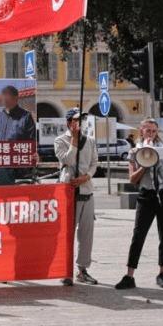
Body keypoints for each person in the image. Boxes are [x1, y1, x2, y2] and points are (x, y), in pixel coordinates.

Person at [114, 118, 163, 290]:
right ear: (141, 131)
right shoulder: (135, 151)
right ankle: (129, 276)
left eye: (154, 131)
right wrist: (145, 163)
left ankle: (162, 273)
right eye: (148, 130)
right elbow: (132, 179)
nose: (151, 134)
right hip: (147, 194)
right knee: (138, 235)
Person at [54, 108, 98, 286]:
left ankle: (82, 269)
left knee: (86, 234)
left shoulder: (90, 141)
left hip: (86, 190)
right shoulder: (60, 140)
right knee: (67, 233)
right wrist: (73, 139)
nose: (79, 123)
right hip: (69, 192)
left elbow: (95, 163)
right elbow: (68, 160)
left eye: (82, 120)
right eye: (75, 120)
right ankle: (65, 270)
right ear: (68, 122)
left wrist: (87, 176)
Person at [0, 85, 37, 186]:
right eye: (3, 99)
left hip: (18, 171)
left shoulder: (26, 117)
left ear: (16, 98)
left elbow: (32, 143)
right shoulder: (0, 116)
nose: (4, 101)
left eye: (7, 98)